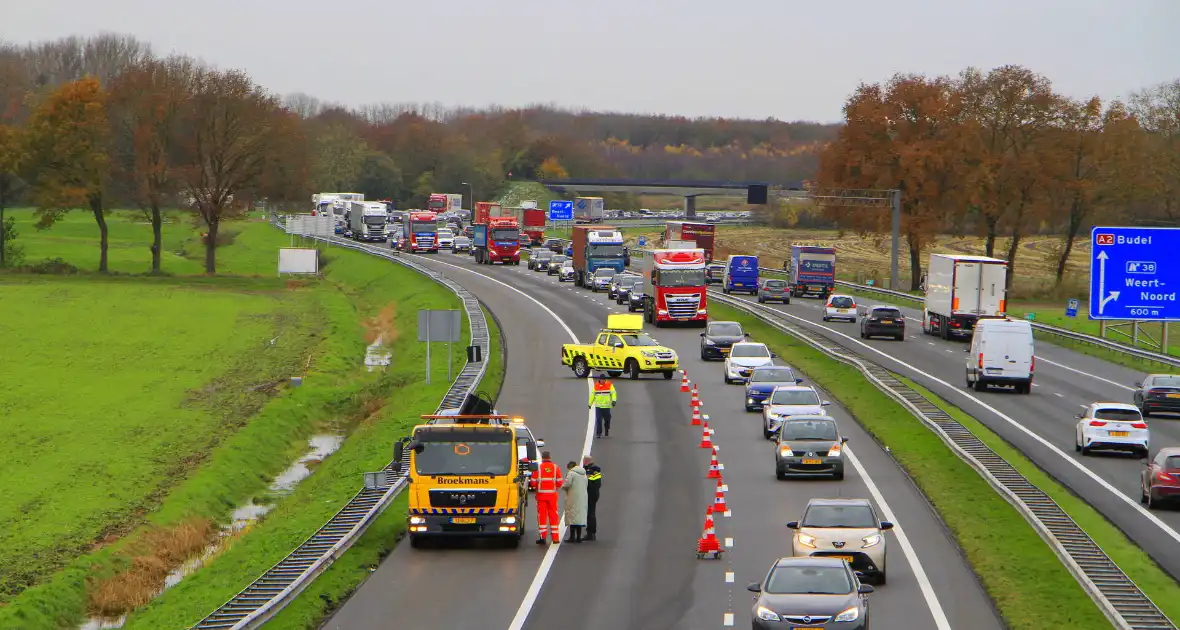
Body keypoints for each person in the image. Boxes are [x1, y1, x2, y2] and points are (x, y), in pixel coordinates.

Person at [534, 450, 563, 545]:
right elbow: (560, 482)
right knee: (553, 515)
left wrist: (538, 487)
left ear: (542, 458)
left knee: (542, 516)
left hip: (541, 496)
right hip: (552, 496)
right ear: (550, 457)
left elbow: (533, 482)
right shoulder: (555, 468)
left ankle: (543, 538)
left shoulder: (538, 468)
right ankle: (555, 538)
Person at [562, 460, 588, 543]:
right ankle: (578, 537)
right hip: (582, 497)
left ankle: (572, 537)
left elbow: (567, 484)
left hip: (573, 497)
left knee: (572, 516)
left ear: (570, 467)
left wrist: (563, 487)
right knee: (579, 517)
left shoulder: (571, 474)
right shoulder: (584, 474)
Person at [589, 373, 618, 438]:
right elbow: (592, 395)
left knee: (607, 419)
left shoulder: (609, 385)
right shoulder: (596, 386)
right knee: (598, 419)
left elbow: (613, 393)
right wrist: (589, 404)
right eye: (601, 380)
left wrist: (614, 401)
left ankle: (607, 428)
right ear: (599, 380)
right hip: (598, 407)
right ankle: (598, 433)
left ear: (605, 380)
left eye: (603, 380)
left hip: (606, 406)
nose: (602, 381)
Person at [582, 455, 602, 541]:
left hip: (591, 495)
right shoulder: (594, 470)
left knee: (590, 514)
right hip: (594, 494)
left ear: (586, 461)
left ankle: (590, 533)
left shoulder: (591, 471)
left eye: (584, 461)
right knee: (591, 513)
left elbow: (589, 483)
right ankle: (591, 533)